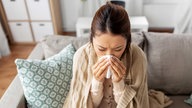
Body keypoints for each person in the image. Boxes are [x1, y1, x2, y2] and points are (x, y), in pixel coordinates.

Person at [63, 2, 172, 108]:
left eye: (118, 49)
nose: (109, 55)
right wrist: (96, 82)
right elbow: (80, 104)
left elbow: (138, 104)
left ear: (128, 41)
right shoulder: (82, 56)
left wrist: (119, 83)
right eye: (101, 48)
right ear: (91, 39)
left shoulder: (137, 56)